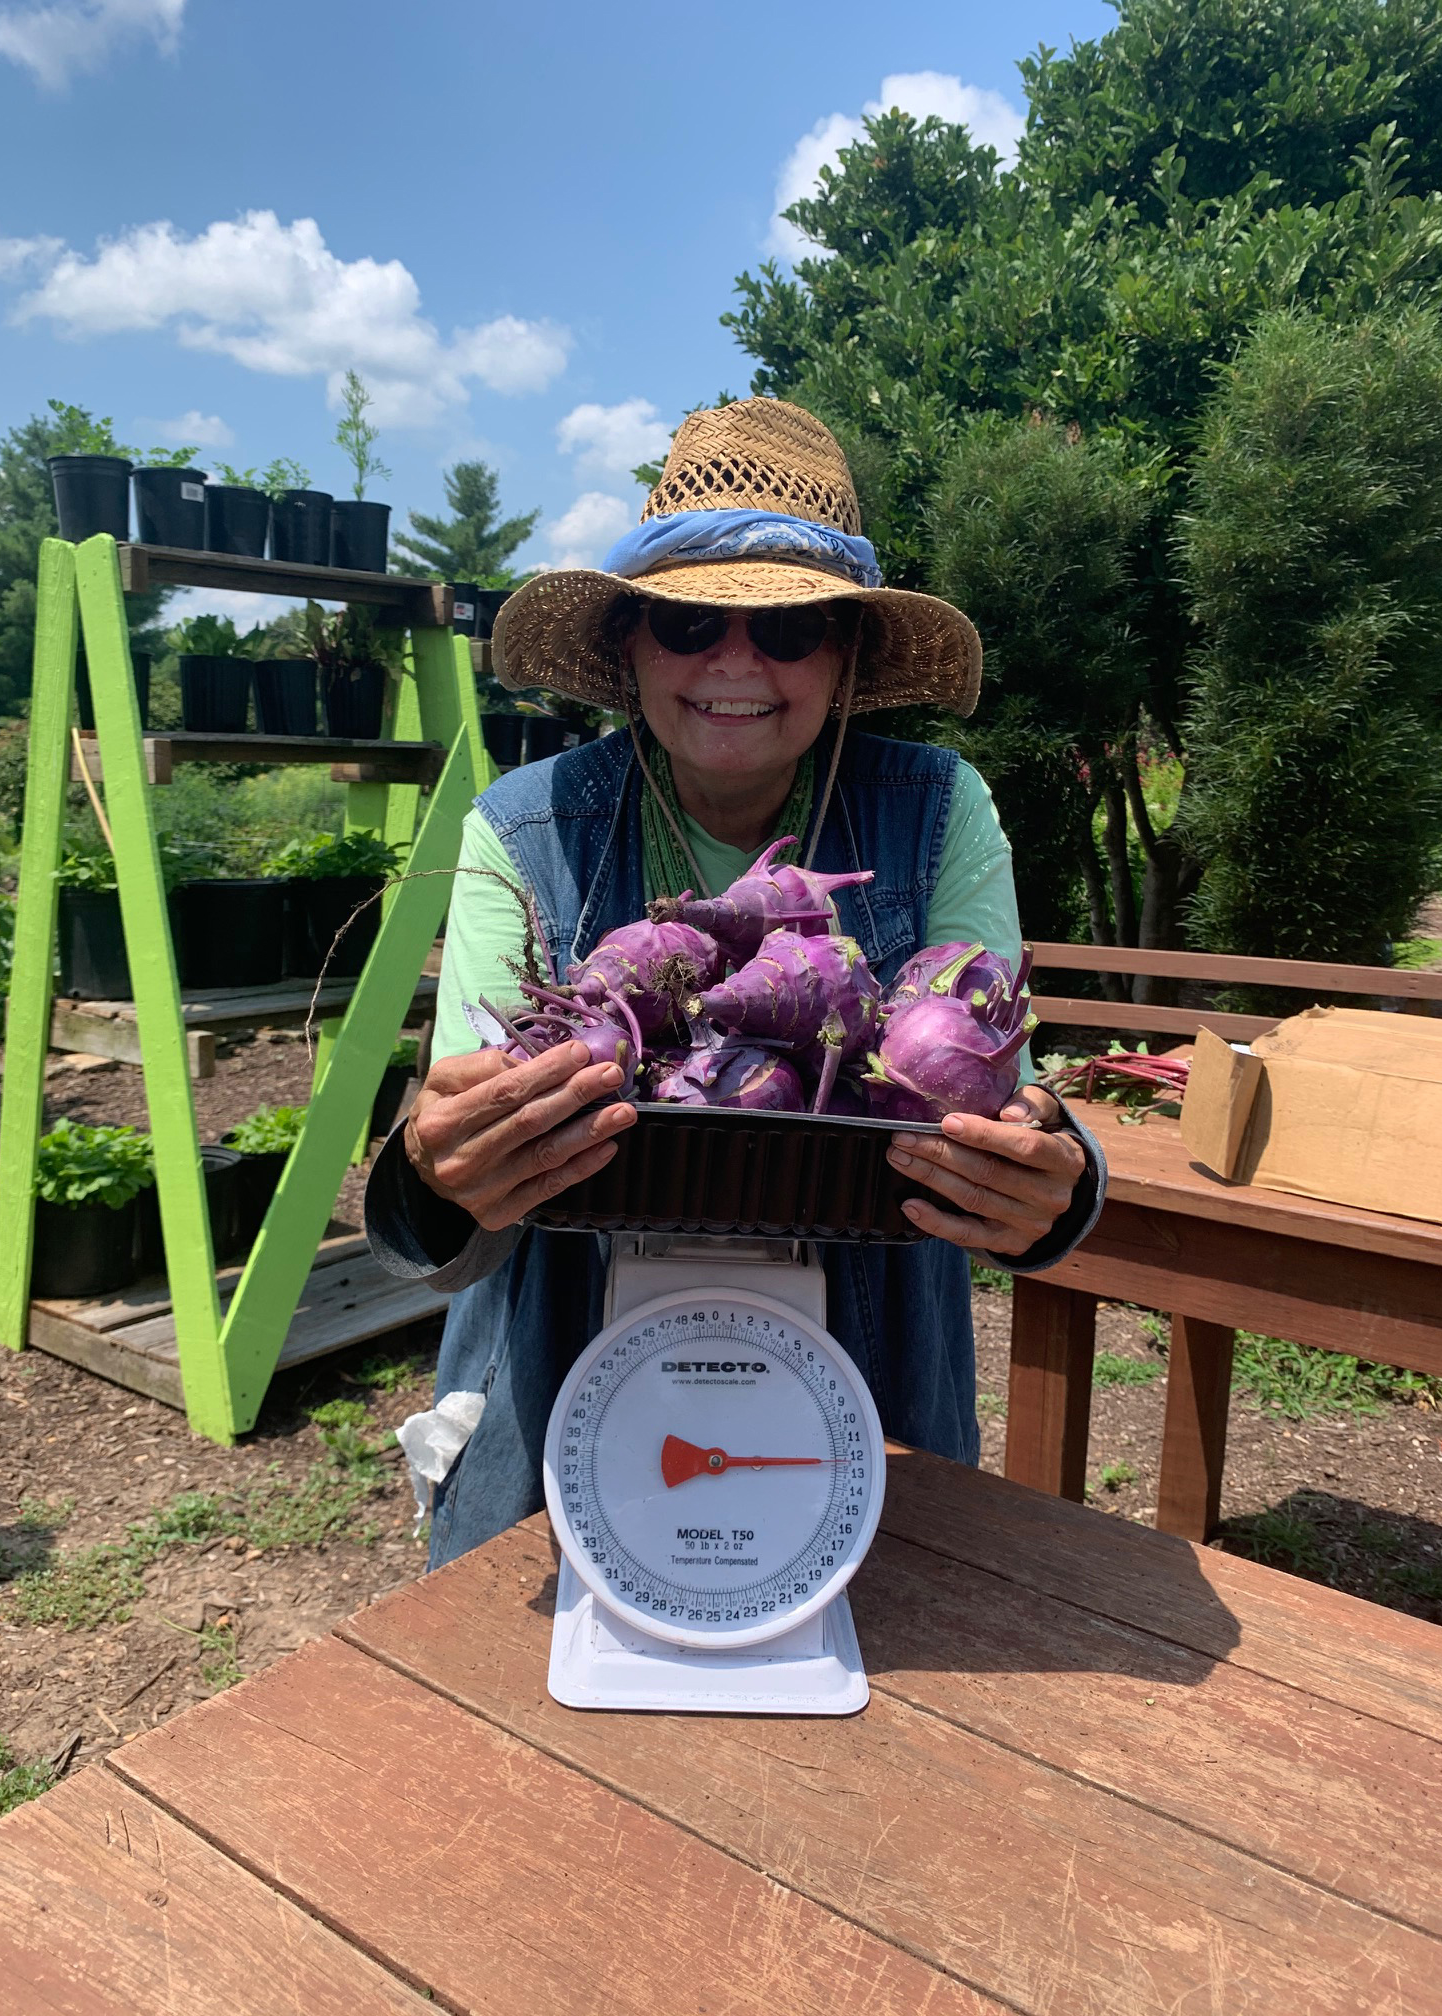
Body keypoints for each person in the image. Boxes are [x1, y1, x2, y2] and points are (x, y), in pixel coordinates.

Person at [365, 398, 1107, 1569]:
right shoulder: (522, 826)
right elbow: (465, 1130)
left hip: (875, 1384)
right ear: (628, 650)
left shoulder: (940, 809)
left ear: (849, 658)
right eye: (686, 621)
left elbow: (987, 1076)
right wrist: (438, 1164)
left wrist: (1045, 1186)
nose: (734, 663)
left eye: (792, 628)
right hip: (557, 1372)